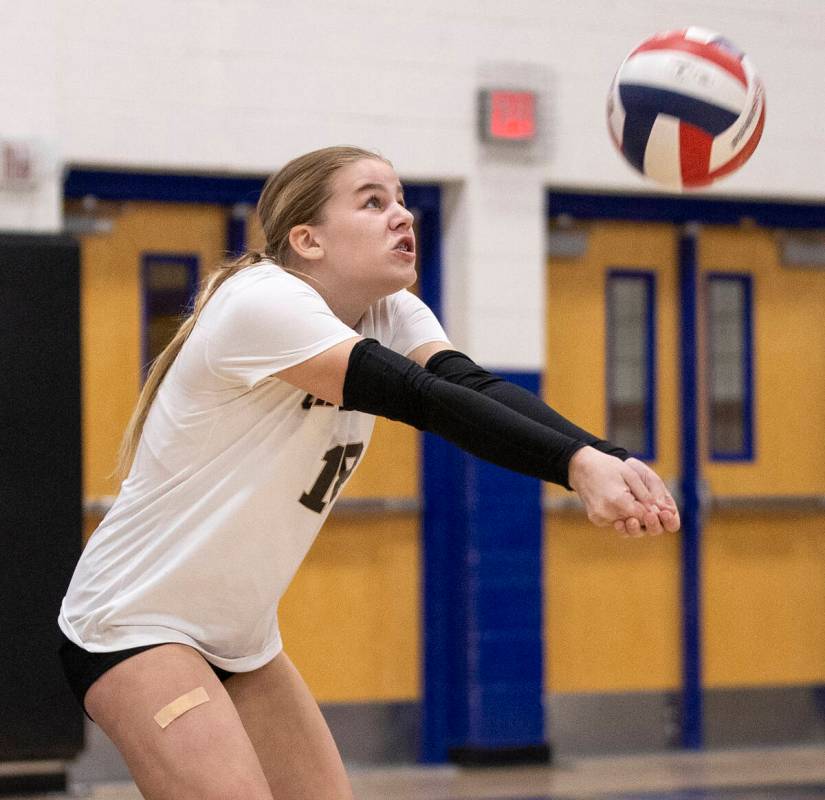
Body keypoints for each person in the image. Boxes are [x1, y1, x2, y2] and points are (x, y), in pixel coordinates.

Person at [57, 145, 680, 800]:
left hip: (239, 639)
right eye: (373, 202)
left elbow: (465, 384)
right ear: (307, 239)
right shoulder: (261, 304)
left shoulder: (390, 309)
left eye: (403, 199)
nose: (401, 216)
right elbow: (420, 398)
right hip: (132, 623)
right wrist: (572, 466)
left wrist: (600, 454)